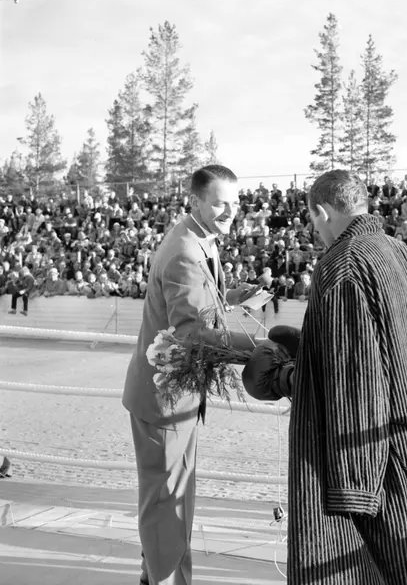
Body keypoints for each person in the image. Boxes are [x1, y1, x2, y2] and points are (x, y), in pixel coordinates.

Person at [242, 170, 407, 584]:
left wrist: (287, 379)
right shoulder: (400, 251)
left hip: (376, 458)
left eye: (312, 219)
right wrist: (314, 346)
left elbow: (356, 377)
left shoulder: (341, 265)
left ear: (320, 211)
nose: (315, 230)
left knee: (374, 569)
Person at [122, 165, 262, 585]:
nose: (230, 211)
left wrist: (229, 296)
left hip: (172, 394)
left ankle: (161, 576)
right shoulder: (186, 248)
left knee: (174, 496)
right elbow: (192, 332)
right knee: (167, 500)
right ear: (196, 201)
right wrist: (260, 348)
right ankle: (160, 580)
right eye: (220, 203)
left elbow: (193, 305)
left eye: (235, 203)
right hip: (164, 398)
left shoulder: (196, 236)